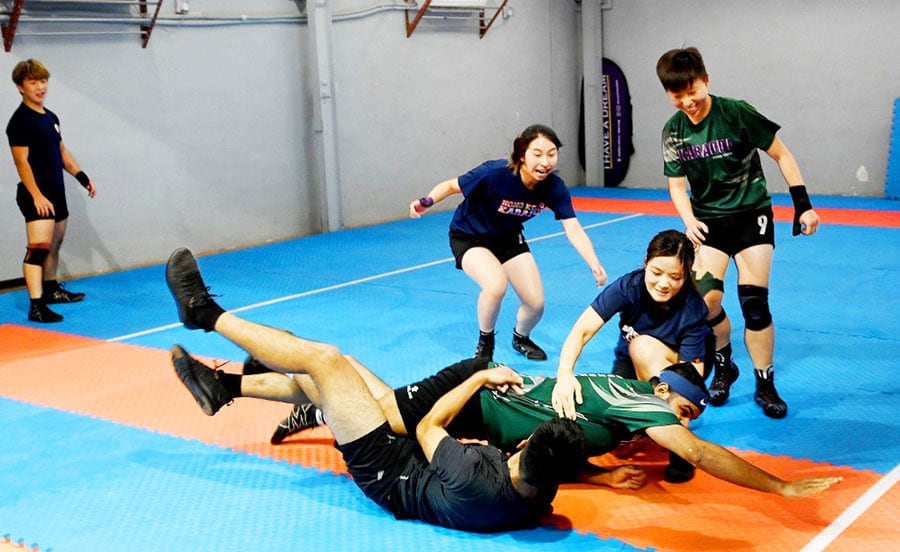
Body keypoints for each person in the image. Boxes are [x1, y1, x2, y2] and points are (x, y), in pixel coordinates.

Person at [165, 247, 588, 533]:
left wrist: (477, 378)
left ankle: (205, 314)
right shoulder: (539, 489)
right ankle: (224, 386)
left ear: (527, 440)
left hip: (386, 467)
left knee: (325, 362)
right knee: (336, 374)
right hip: (411, 455)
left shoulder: (473, 476)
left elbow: (428, 424)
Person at [207, 346, 841, 500]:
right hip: (465, 396)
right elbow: (700, 456)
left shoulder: (624, 395)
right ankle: (238, 379)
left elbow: (559, 437)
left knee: (353, 390)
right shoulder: (649, 408)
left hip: (480, 397)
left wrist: (594, 474)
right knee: (343, 384)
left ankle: (247, 379)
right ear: (668, 399)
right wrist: (781, 488)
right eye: (683, 412)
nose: (678, 427)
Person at [655, 47, 820, 419]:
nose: (687, 102)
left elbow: (783, 155)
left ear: (706, 81)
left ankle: (765, 382)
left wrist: (803, 204)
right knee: (706, 302)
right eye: (677, 96)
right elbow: (678, 186)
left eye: (692, 92)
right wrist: (687, 219)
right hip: (709, 224)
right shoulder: (673, 132)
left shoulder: (736, 112)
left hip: (751, 217)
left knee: (754, 303)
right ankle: (725, 363)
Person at [408, 124, 607, 361]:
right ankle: (486, 341)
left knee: (535, 304)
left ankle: (520, 337)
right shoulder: (494, 173)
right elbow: (452, 186)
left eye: (552, 154)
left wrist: (593, 262)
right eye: (537, 154)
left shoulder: (554, 188)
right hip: (470, 235)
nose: (545, 162)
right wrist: (427, 201)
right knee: (495, 285)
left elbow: (572, 228)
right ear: (522, 155)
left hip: (508, 237)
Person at [549, 229, 712, 481]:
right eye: (656, 273)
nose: (663, 283)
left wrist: (679, 425)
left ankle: (678, 448)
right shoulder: (629, 287)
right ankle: (646, 426)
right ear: (646, 264)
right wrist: (564, 374)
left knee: (642, 346)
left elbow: (690, 382)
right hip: (630, 361)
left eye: (675, 277)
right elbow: (581, 331)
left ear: (686, 273)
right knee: (618, 442)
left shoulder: (692, 309)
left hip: (680, 367)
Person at [6, 59, 96, 323]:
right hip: (37, 194)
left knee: (54, 245)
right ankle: (36, 305)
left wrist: (82, 177)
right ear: (20, 87)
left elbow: (61, 152)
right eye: (33, 82)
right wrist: (36, 195)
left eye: (43, 81)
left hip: (56, 192)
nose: (40, 86)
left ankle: (51, 290)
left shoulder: (51, 117)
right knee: (38, 249)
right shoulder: (20, 121)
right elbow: (21, 161)